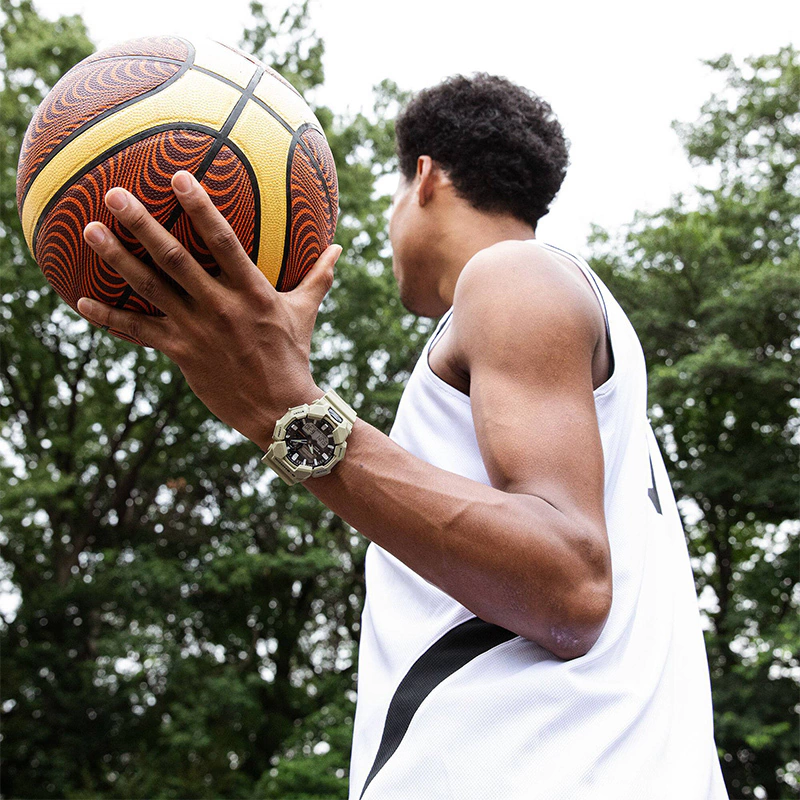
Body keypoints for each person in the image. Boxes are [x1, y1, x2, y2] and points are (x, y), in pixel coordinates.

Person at [76, 73, 728, 799]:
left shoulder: (512, 274)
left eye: (391, 194)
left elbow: (568, 583)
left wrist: (285, 410)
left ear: (425, 177)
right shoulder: (576, 356)